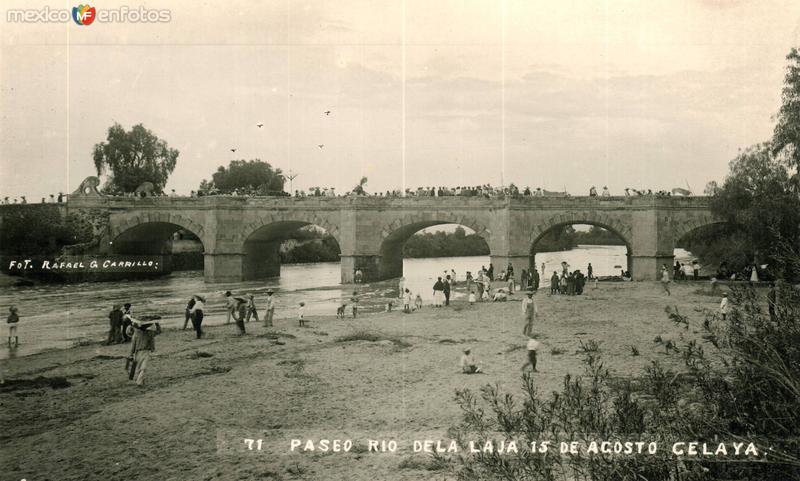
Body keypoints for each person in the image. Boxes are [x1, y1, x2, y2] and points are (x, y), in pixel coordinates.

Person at [128, 318, 162, 387]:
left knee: (141, 368)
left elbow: (132, 344)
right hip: (145, 352)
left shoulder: (136, 334)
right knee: (142, 368)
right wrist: (157, 324)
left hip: (138, 352)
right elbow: (159, 331)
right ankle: (141, 382)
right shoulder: (149, 333)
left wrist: (131, 354)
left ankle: (139, 382)